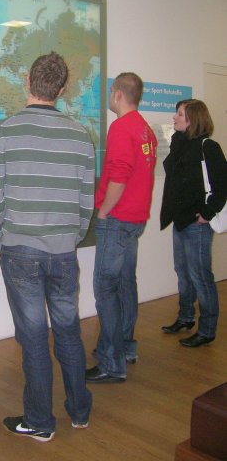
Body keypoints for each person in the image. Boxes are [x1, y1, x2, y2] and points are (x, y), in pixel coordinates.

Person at [0, 52, 95, 442]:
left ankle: (40, 422)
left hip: (20, 252)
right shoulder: (81, 136)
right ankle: (79, 411)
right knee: (68, 332)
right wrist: (71, 237)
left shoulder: (3, 132)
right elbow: (86, 203)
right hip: (63, 252)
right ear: (62, 89)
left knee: (33, 339)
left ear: (28, 81)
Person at [85, 72, 157, 384]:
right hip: (135, 220)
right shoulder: (144, 129)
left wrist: (103, 211)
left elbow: (119, 175)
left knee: (106, 289)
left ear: (118, 94)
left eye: (111, 91)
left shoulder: (121, 127)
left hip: (117, 220)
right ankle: (124, 347)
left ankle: (111, 363)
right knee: (125, 284)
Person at [160, 99, 227, 347]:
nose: (174, 117)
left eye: (179, 114)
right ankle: (186, 317)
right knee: (182, 272)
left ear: (193, 119)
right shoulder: (180, 143)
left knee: (200, 275)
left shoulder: (208, 147)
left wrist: (206, 214)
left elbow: (222, 185)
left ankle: (207, 330)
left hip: (197, 223)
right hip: (180, 220)